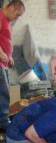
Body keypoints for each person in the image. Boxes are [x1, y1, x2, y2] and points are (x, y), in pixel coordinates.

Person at [0, 0, 25, 131]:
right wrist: (1, 54)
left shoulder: (7, 21)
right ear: (12, 8)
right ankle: (3, 123)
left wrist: (9, 57)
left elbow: (4, 41)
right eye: (17, 14)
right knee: (3, 92)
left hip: (3, 63)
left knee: (4, 91)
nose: (17, 18)